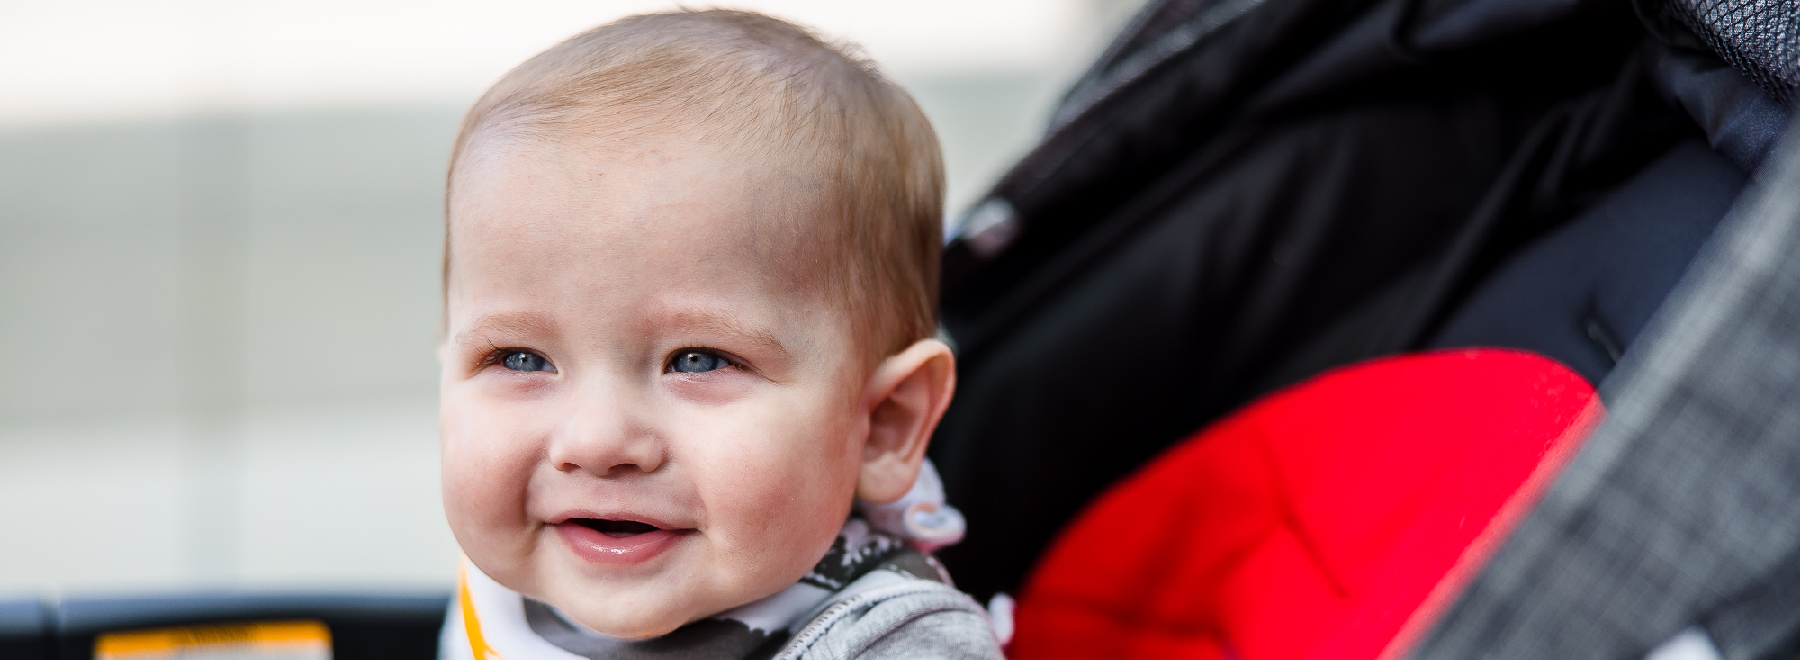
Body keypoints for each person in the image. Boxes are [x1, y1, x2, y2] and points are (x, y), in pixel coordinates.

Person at [432, 9, 1002, 660]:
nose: (595, 442)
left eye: (697, 361)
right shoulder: (516, 578)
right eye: (520, 357)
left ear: (882, 424)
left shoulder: (892, 640)